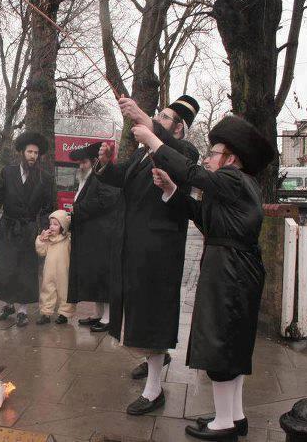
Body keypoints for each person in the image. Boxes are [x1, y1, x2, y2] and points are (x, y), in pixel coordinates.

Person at [132, 115, 274, 441]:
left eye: (214, 152)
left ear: (231, 158)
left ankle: (223, 424)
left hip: (230, 272)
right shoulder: (233, 187)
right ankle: (233, 416)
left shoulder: (234, 179)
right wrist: (171, 190)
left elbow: (191, 172)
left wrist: (155, 142)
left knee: (222, 344)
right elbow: (205, 220)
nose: (208, 157)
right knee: (232, 347)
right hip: (234, 268)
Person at [95, 95, 200, 415]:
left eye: (165, 117)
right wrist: (106, 162)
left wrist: (146, 121)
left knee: (153, 315)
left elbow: (178, 160)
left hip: (159, 249)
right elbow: (120, 178)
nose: (157, 118)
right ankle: (152, 359)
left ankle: (154, 391)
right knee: (139, 313)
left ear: (178, 128)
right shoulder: (143, 152)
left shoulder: (184, 151)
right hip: (134, 243)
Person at [0, 131, 55, 327]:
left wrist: (45, 229)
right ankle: (8, 305)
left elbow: (47, 207)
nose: (33, 156)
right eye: (30, 152)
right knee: (6, 267)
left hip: (29, 229)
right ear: (22, 152)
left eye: (36, 153)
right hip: (8, 228)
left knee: (26, 270)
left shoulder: (45, 178)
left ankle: (22, 310)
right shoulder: (8, 172)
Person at [66, 142, 119, 332]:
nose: (80, 166)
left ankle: (108, 318)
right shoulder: (87, 178)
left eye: (84, 162)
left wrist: (78, 209)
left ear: (94, 161)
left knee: (103, 277)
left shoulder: (102, 177)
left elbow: (108, 200)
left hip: (102, 237)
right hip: (90, 236)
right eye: (79, 163)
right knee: (94, 277)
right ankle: (98, 314)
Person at [35, 210, 73, 325]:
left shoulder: (68, 240)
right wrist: (41, 240)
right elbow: (41, 252)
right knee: (47, 291)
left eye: (56, 224)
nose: (52, 226)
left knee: (65, 293)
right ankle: (46, 313)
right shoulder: (48, 239)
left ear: (63, 226)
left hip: (64, 272)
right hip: (49, 273)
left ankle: (64, 314)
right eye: (50, 224)